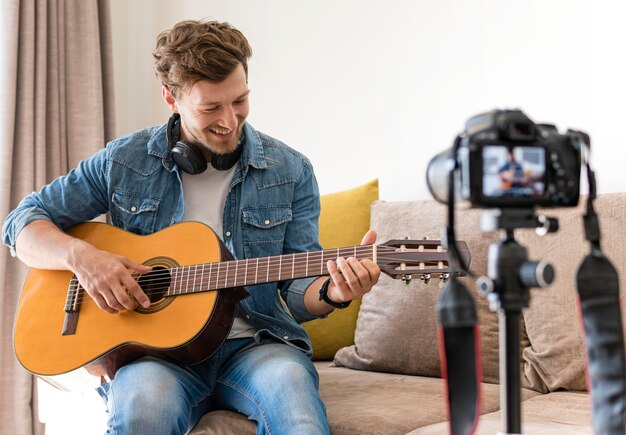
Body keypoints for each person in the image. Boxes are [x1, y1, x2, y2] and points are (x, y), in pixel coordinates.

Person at [2, 20, 380, 434]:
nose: (230, 121)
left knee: (298, 411)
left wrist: (334, 291)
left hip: (256, 346)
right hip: (153, 355)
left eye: (240, 101)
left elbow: (297, 285)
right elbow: (21, 222)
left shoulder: (290, 170)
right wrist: (83, 258)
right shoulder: (123, 161)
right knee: (143, 409)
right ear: (171, 97)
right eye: (210, 108)